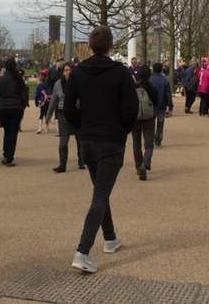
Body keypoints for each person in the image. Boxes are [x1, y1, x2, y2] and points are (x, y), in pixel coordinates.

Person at [64, 26, 138, 274]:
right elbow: (131, 109)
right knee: (100, 195)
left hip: (88, 141)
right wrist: (122, 130)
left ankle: (110, 238)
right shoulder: (121, 73)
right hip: (111, 141)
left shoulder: (77, 73)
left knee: (100, 191)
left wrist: (81, 126)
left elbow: (69, 107)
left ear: (90, 44)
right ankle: (82, 251)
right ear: (111, 45)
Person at [47, 62, 84, 173]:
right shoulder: (58, 83)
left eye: (70, 70)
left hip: (77, 113)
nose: (68, 72)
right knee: (63, 140)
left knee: (80, 140)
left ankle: (81, 161)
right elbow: (54, 100)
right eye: (66, 70)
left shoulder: (80, 82)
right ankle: (62, 164)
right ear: (63, 72)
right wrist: (48, 115)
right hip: (63, 114)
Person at [0, 58, 29, 167]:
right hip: (16, 108)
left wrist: (0, 103)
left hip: (4, 109)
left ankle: (6, 154)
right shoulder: (19, 80)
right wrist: (21, 105)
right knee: (12, 133)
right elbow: (25, 94)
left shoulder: (0, 80)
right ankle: (9, 156)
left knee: (7, 131)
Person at [131, 66, 158, 181]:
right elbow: (156, 101)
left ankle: (138, 166)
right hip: (149, 118)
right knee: (149, 144)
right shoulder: (151, 87)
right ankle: (145, 164)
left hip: (135, 118)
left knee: (136, 143)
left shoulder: (133, 87)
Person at [149, 62, 173, 146]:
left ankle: (150, 139)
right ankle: (158, 139)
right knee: (160, 124)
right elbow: (168, 94)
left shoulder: (149, 79)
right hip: (162, 105)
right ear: (161, 69)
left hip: (151, 105)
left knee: (151, 123)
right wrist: (170, 106)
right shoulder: (165, 80)